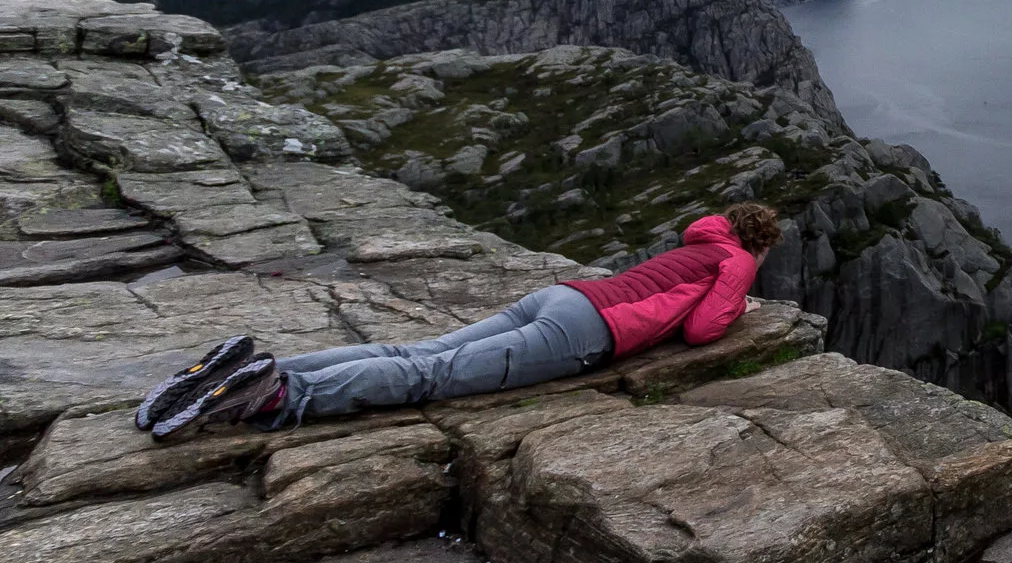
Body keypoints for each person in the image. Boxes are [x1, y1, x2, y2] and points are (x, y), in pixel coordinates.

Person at [139, 202, 783, 443]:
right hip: (582, 334)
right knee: (433, 376)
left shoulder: (700, 241)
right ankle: (280, 395)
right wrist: (737, 302)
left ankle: (265, 369)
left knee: (416, 347)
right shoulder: (736, 262)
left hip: (561, 295)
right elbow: (702, 330)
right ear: (761, 241)